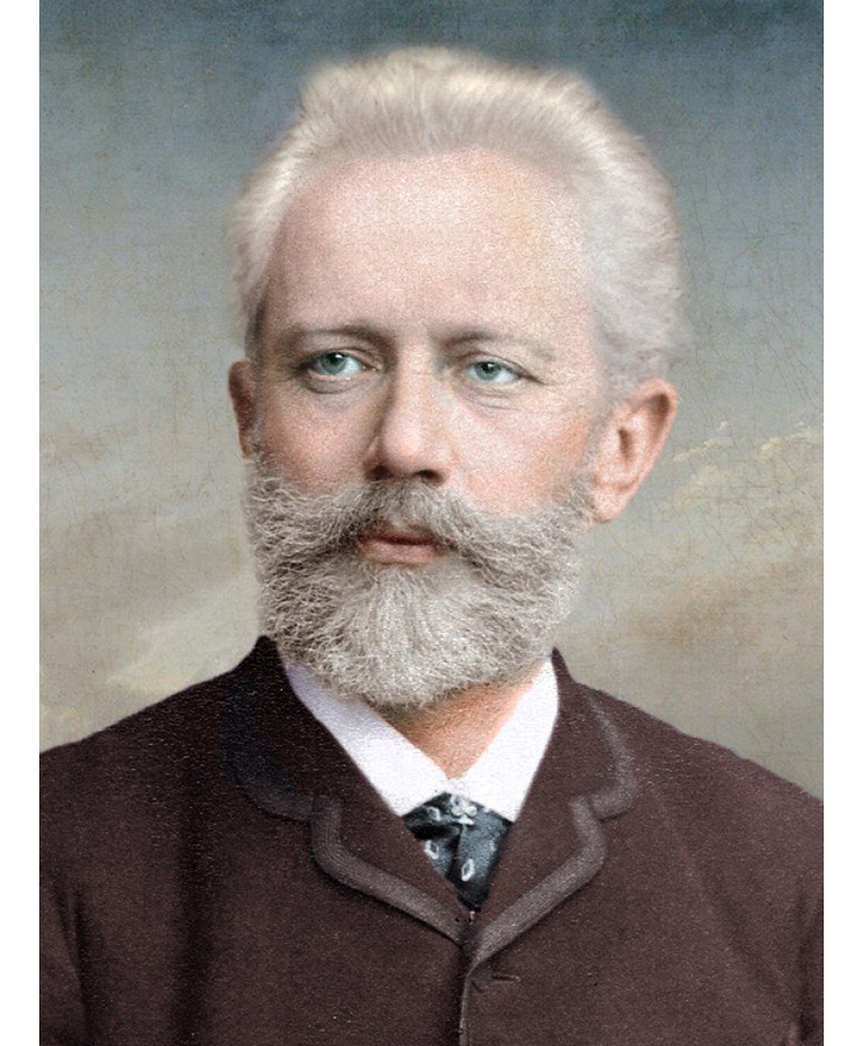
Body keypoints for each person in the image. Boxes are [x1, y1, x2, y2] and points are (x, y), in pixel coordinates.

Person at [41, 46, 822, 1045]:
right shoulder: (45, 857)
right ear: (250, 418)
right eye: (334, 362)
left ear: (621, 448)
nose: (404, 443)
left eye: (488, 369)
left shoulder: (801, 877)